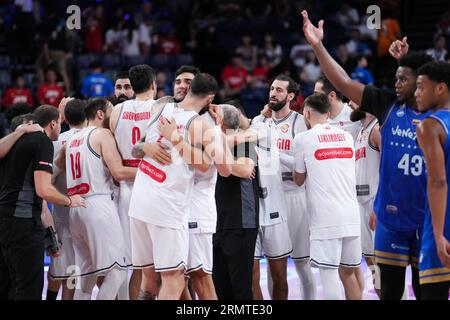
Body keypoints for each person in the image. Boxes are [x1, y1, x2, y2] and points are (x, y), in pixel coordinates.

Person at [302, 10, 433, 300]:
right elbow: (345, 82)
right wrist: (318, 46)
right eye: (396, 78)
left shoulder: (440, 114)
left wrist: (411, 62)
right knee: (388, 292)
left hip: (427, 220)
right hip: (391, 222)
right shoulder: (388, 106)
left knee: (426, 293)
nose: (395, 83)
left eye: (402, 78)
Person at [128, 73, 231, 300]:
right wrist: (174, 139)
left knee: (151, 276)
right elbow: (217, 167)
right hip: (169, 206)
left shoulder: (160, 108)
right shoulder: (200, 125)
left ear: (190, 87)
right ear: (210, 98)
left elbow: (134, 148)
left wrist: (148, 145)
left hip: (141, 200)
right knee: (176, 278)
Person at [0, 105, 85, 300]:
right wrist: (70, 201)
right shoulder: (42, 142)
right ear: (53, 123)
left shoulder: (14, 143)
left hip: (6, 221)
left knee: (9, 283)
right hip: (23, 221)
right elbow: (43, 190)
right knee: (29, 287)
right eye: (59, 124)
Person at [55, 98, 137, 300]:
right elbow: (118, 172)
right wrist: (149, 170)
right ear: (101, 114)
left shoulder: (70, 141)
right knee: (117, 271)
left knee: (87, 276)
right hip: (98, 204)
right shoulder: (102, 134)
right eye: (112, 112)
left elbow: (51, 174)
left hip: (76, 208)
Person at [293, 93, 362, 300]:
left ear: (306, 113)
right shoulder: (347, 136)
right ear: (328, 112)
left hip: (326, 219)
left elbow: (298, 179)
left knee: (329, 274)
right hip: (351, 215)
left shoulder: (303, 138)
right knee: (348, 273)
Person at [258, 75, 316, 300]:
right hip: (269, 198)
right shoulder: (260, 122)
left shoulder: (299, 122)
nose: (273, 93)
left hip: (294, 195)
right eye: (272, 88)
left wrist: (274, 152)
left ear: (291, 96)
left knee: (302, 263)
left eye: (279, 90)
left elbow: (305, 164)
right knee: (275, 264)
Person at [109, 64, 158, 300]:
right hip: (155, 185)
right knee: (154, 260)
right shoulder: (161, 109)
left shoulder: (115, 113)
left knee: (131, 261)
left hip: (125, 190)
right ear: (153, 85)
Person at [213, 104, 259, 300]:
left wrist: (213, 158)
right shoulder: (211, 142)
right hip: (215, 221)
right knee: (220, 286)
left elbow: (246, 170)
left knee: (240, 287)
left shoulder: (245, 141)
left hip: (241, 220)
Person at [415, 61, 450, 299]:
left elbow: (438, 182)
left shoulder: (430, 126)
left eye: (420, 86)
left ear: (440, 88)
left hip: (442, 226)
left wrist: (438, 234)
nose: (416, 93)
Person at [47, 99, 87, 300]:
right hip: (87, 210)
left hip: (62, 211)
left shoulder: (56, 141)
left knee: (62, 268)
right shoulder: (95, 137)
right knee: (81, 270)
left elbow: (48, 179)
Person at [351, 104, 381, 297]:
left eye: (354, 101)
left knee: (383, 264)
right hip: (361, 204)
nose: (350, 105)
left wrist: (379, 207)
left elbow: (390, 168)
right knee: (372, 263)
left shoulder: (377, 129)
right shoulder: (361, 130)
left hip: (374, 204)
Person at [314, 76, 362, 141]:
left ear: (332, 96)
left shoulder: (356, 117)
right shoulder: (316, 119)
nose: (313, 98)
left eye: (317, 94)